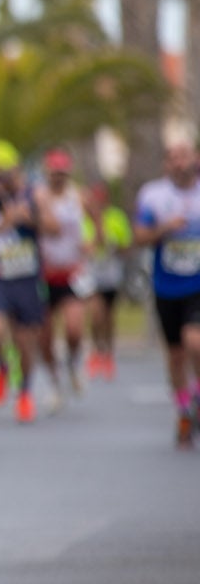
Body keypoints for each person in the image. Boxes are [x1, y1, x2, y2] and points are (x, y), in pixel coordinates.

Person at [0, 142, 55, 422]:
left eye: (4, 173)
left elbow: (53, 228)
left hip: (26, 276)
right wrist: (3, 223)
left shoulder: (34, 194)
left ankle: (24, 392)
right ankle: (0, 365)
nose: (0, 180)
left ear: (16, 171)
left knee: (25, 340)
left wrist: (30, 218)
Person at [132, 138, 200, 448]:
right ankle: (184, 409)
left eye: (183, 156)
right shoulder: (153, 195)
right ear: (165, 164)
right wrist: (165, 229)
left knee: (194, 341)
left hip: (197, 285)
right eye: (172, 157)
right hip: (167, 285)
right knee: (175, 355)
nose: (178, 162)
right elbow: (140, 236)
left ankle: (197, 394)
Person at [35, 148, 91, 397]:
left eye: (62, 173)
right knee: (45, 335)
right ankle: (53, 379)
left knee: (74, 328)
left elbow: (94, 226)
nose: (58, 177)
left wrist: (92, 241)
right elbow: (46, 227)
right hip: (44, 274)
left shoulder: (78, 196)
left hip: (71, 272)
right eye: (53, 173)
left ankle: (72, 363)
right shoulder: (37, 197)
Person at [84, 180, 133, 381]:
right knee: (96, 314)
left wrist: (112, 242)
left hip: (111, 274)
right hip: (91, 274)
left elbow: (126, 245)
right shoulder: (83, 219)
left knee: (109, 316)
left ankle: (108, 352)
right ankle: (97, 349)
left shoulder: (116, 217)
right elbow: (85, 247)